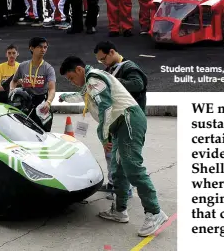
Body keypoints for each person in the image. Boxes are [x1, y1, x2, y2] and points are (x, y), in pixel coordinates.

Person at [59, 56, 168, 237]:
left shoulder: (94, 78)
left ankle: (155, 212)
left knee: (132, 167)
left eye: (71, 78)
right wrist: (64, 97)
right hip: (120, 124)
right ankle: (119, 210)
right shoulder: (90, 83)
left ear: (79, 69)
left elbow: (106, 108)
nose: (72, 82)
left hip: (128, 119)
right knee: (117, 170)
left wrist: (103, 136)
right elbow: (83, 95)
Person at [95, 41, 148, 201]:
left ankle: (125, 190)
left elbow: (138, 85)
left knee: (125, 157)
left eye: (103, 59)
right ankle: (114, 184)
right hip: (115, 120)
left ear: (112, 52)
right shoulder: (110, 69)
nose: (103, 63)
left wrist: (111, 82)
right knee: (111, 153)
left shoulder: (129, 67)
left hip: (129, 120)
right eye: (100, 61)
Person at [9, 37, 56, 132]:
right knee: (22, 132)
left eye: (45, 47)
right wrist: (12, 90)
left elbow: (52, 89)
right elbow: (13, 81)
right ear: (32, 48)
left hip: (41, 104)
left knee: (44, 133)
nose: (43, 50)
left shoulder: (48, 68)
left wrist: (48, 102)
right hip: (25, 103)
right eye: (40, 47)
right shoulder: (23, 66)